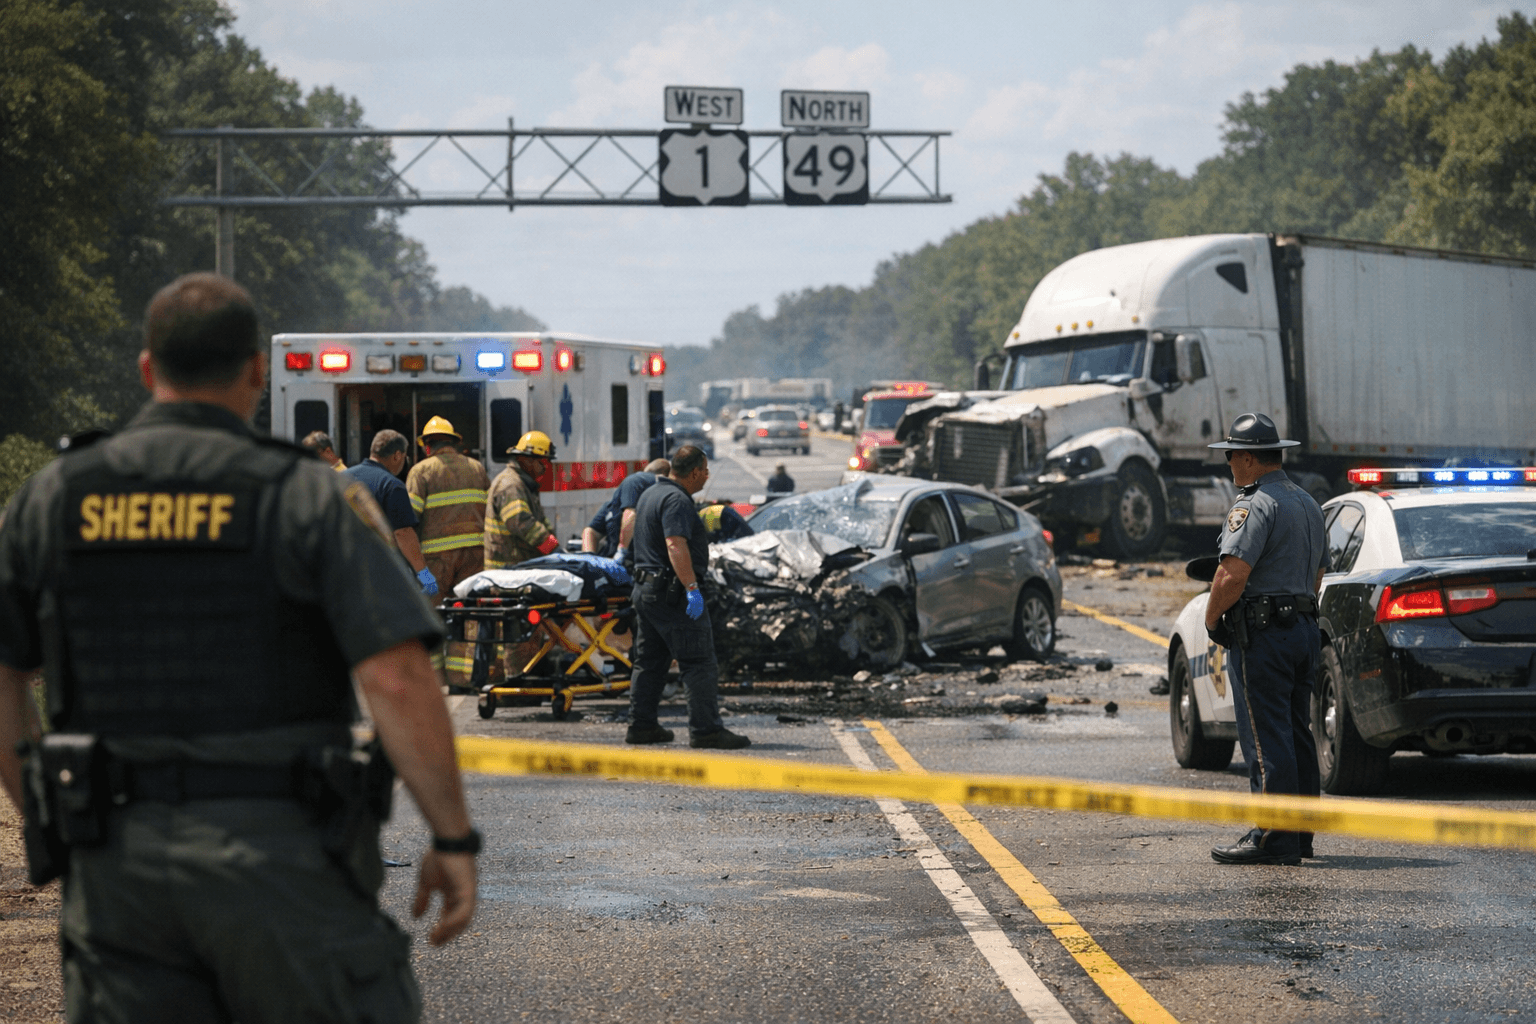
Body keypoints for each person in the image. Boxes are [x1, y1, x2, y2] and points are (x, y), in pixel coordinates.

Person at [0, 272, 478, 1023]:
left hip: (119, 871)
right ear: (257, 372)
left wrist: (46, 818)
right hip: (284, 863)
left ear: (147, 369)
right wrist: (452, 836)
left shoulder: (53, 498)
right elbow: (396, 677)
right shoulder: (309, 496)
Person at [1205, 412, 1328, 866]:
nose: (1229, 465)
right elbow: (1317, 576)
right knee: (1297, 733)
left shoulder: (1254, 504)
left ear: (1249, 458)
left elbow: (1231, 574)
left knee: (1264, 737)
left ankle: (1273, 836)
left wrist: (1212, 621)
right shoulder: (1309, 503)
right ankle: (1299, 834)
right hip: (1303, 630)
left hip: (1264, 637)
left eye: (1231, 456)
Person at [627, 445, 750, 750]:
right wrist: (692, 589)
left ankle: (641, 726)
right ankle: (706, 730)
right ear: (694, 472)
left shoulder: (650, 494)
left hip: (646, 590)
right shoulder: (677, 500)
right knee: (698, 662)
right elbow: (675, 545)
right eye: (705, 471)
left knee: (649, 662)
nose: (707, 477)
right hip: (673, 594)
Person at [407, 416, 489, 689]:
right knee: (466, 617)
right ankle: (462, 678)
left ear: (427, 446)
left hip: (434, 563)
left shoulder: (420, 471)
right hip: (475, 558)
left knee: (431, 618)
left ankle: (434, 680)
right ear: (454, 443)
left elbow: (410, 518)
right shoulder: (477, 468)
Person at [346, 430, 438, 598]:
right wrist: (424, 575)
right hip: (376, 576)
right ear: (397, 456)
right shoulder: (391, 486)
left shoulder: (340, 478)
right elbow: (403, 533)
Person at [484, 430, 561, 570]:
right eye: (543, 462)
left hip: (517, 567)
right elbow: (522, 523)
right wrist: (552, 549)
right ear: (527, 460)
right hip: (506, 571)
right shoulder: (510, 486)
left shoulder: (524, 484)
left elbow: (541, 521)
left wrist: (554, 543)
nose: (546, 468)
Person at [581, 458, 670, 560]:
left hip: (631, 562)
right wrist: (591, 560)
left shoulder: (636, 481)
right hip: (624, 561)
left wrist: (590, 558)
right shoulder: (617, 501)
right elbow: (590, 531)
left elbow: (630, 514)